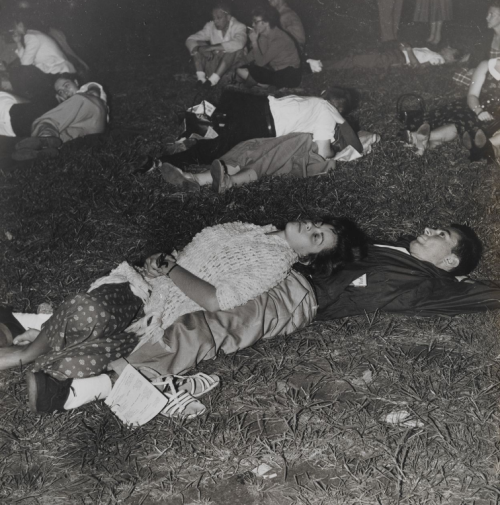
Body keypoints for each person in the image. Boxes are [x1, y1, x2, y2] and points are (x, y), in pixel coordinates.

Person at [19, 223, 497, 418]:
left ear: (452, 263)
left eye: (443, 236)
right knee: (177, 303)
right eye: (437, 226)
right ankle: (56, 333)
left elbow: (483, 296)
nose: (431, 230)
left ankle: (97, 386)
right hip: (284, 275)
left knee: (206, 326)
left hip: (297, 297)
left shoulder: (430, 282)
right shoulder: (393, 248)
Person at [0, 218, 367, 417]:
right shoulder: (252, 228)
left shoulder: (273, 263)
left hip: (159, 314)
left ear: (306, 258)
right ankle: (33, 340)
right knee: (89, 308)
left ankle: (33, 351)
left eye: (317, 236)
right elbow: (195, 252)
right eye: (317, 223)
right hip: (142, 288)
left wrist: (172, 270)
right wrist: (159, 263)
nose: (309, 226)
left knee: (94, 348)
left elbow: (217, 300)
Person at [141, 88, 363, 173]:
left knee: (216, 127)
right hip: (258, 124)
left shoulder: (315, 101)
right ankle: (160, 162)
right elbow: (324, 153)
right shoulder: (328, 115)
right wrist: (334, 151)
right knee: (210, 151)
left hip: (253, 103)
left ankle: (192, 128)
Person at [157, 130, 380, 194]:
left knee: (298, 139)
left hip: (310, 161)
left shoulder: (347, 133)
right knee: (253, 145)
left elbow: (366, 139)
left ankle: (230, 181)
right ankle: (194, 179)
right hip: (294, 154)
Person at [404, 57, 500, 159]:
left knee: (465, 126)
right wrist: (479, 111)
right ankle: (425, 139)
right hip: (474, 106)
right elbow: (472, 95)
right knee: (463, 120)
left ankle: (423, 142)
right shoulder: (486, 65)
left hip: (493, 118)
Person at [10, 75, 108, 161]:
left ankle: (44, 138)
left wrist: (92, 91)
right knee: (62, 135)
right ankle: (40, 153)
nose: (65, 92)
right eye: (60, 92)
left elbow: (94, 87)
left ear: (76, 82)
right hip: (90, 132)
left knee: (45, 121)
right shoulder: (72, 107)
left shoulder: (84, 91)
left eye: (66, 85)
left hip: (94, 110)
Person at [8, 21, 76, 102]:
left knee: (24, 78)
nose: (13, 30)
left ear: (21, 25)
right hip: (56, 72)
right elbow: (26, 60)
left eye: (14, 27)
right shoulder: (33, 34)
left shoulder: (31, 36)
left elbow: (25, 63)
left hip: (59, 72)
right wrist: (18, 42)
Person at [236, 5, 301, 89]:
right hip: (276, 70)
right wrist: (239, 62)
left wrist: (254, 41)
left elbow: (261, 62)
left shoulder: (279, 39)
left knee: (253, 70)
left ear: (266, 22)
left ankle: (262, 85)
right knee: (242, 68)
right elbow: (254, 54)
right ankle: (258, 83)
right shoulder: (264, 35)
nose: (252, 24)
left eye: (255, 22)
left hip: (290, 75)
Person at [185, 1, 247, 88]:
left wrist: (210, 47)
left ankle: (212, 81)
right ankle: (201, 79)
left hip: (234, 66)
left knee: (233, 49)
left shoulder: (239, 26)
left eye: (219, 18)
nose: (215, 21)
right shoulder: (210, 26)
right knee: (198, 45)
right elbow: (190, 39)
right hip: (216, 64)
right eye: (214, 18)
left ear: (228, 17)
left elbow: (239, 43)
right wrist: (200, 49)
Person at [453, 1, 500, 88]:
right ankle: (482, 88)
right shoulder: (488, 36)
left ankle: (483, 88)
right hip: (486, 71)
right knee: (460, 74)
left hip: (496, 74)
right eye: (487, 14)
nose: (487, 18)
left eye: (492, 15)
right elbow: (479, 56)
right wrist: (475, 68)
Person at [323, 43, 460, 71]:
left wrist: (408, 50)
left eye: (450, 48)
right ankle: (327, 63)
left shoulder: (438, 60)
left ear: (451, 58)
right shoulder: (434, 53)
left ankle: (322, 65)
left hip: (397, 59)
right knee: (362, 56)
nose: (447, 46)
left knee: (358, 59)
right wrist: (405, 48)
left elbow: (417, 67)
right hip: (396, 54)